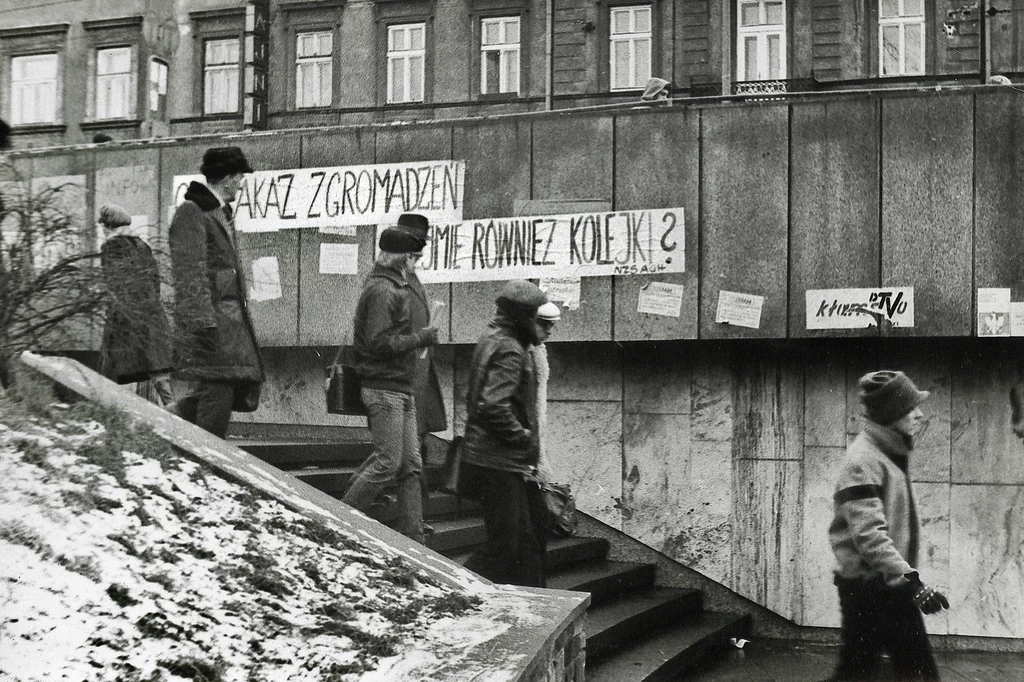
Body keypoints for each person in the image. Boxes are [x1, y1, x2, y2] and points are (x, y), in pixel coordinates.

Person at [825, 370, 948, 682]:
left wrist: (906, 581)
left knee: (866, 672)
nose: (920, 415)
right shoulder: (862, 461)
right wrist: (912, 582)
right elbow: (870, 537)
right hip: (870, 591)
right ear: (892, 416)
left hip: (888, 585)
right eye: (911, 409)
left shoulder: (887, 454)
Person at [343, 226, 439, 543]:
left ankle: (413, 539)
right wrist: (419, 339)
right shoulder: (384, 289)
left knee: (410, 465)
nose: (416, 264)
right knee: (388, 463)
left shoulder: (393, 285)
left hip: (400, 387)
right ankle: (337, 518)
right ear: (400, 257)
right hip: (384, 389)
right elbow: (379, 343)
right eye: (413, 257)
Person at [168, 146, 264, 439]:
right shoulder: (193, 212)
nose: (241, 184)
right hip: (214, 332)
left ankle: (160, 426)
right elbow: (189, 273)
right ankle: (204, 468)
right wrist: (203, 326)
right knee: (216, 400)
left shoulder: (215, 213)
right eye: (239, 177)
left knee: (215, 395)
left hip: (223, 331)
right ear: (227, 178)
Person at [461, 280, 549, 587]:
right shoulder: (511, 348)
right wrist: (523, 437)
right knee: (505, 545)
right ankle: (456, 586)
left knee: (523, 543)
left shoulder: (491, 336)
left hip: (489, 456)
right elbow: (493, 405)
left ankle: (538, 605)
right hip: (497, 460)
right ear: (523, 316)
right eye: (535, 315)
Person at [391, 213, 448, 519]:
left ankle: (416, 520)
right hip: (403, 377)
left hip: (417, 375)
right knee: (401, 457)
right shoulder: (393, 281)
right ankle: (412, 519)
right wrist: (422, 337)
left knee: (414, 454)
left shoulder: (410, 279)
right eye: (413, 251)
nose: (417, 257)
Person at [97, 205, 174, 407]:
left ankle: (109, 415)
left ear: (109, 227)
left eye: (103, 227)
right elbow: (155, 282)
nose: (102, 231)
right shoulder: (142, 246)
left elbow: (114, 285)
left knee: (110, 370)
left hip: (124, 319)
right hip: (150, 316)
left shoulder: (110, 248)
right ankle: (176, 416)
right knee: (157, 370)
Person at [531, 301, 560, 484]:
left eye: (552, 325)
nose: (549, 330)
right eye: (544, 324)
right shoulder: (520, 350)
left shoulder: (538, 348)